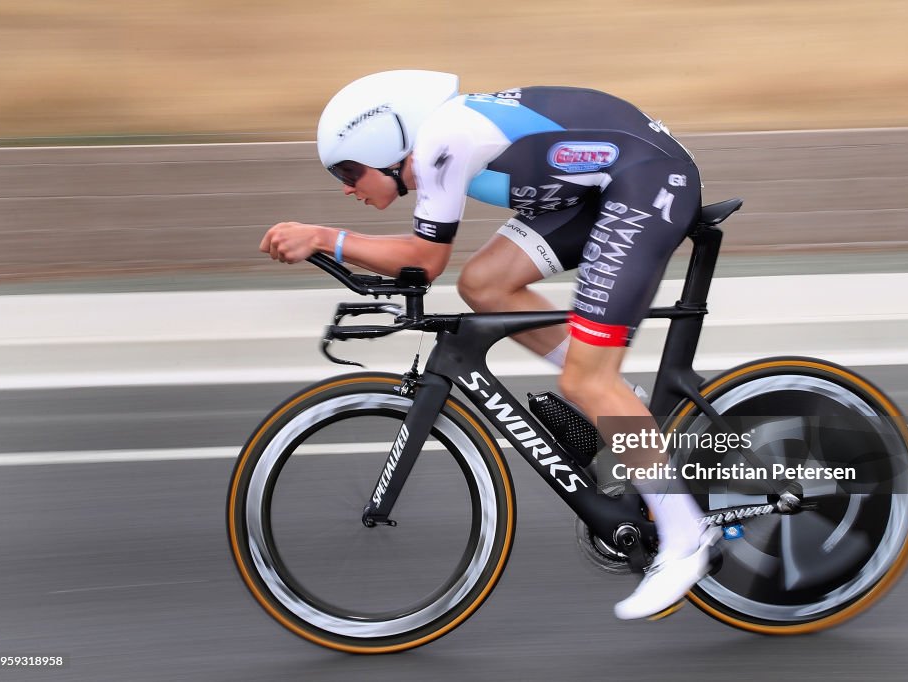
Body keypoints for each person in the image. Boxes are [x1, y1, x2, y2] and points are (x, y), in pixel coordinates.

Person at [260, 70, 712, 620]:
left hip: (645, 183)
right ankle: (624, 408)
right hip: (601, 186)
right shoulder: (440, 139)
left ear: (386, 145)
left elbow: (424, 262)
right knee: (485, 285)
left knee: (585, 381)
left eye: (348, 169)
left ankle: (685, 538)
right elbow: (431, 264)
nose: (346, 186)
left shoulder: (441, 141)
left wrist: (325, 237)